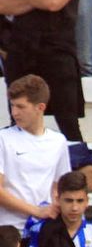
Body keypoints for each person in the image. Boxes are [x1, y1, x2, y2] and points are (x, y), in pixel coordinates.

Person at [0, 0, 86, 143]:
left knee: (68, 122)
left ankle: (76, 159)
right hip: (19, 50)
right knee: (19, 119)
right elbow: (3, 4)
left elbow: (54, 1)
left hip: (58, 50)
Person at [0, 76, 71, 231]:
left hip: (43, 229)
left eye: (21, 107)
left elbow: (59, 185)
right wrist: (36, 211)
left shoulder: (58, 141)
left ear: (40, 107)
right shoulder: (3, 138)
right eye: (12, 106)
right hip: (9, 230)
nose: (14, 112)